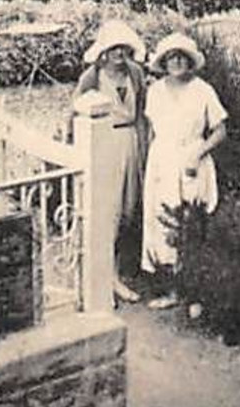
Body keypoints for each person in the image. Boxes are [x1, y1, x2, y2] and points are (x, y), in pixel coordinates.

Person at [140, 32, 227, 309]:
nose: (176, 62)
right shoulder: (155, 91)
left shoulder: (203, 90)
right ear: (163, 62)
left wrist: (197, 153)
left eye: (181, 57)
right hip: (163, 161)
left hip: (193, 159)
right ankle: (172, 291)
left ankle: (196, 293)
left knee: (193, 223)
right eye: (170, 58)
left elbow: (220, 130)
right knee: (163, 222)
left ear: (189, 61)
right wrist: (151, 167)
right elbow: (152, 132)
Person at [71, 20, 150, 305]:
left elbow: (141, 112)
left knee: (128, 210)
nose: (119, 52)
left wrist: (143, 144)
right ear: (103, 51)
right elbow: (75, 111)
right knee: (107, 210)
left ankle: (116, 271)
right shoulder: (92, 77)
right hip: (103, 144)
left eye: (123, 47)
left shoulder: (136, 74)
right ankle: (104, 278)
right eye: (113, 47)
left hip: (130, 141)